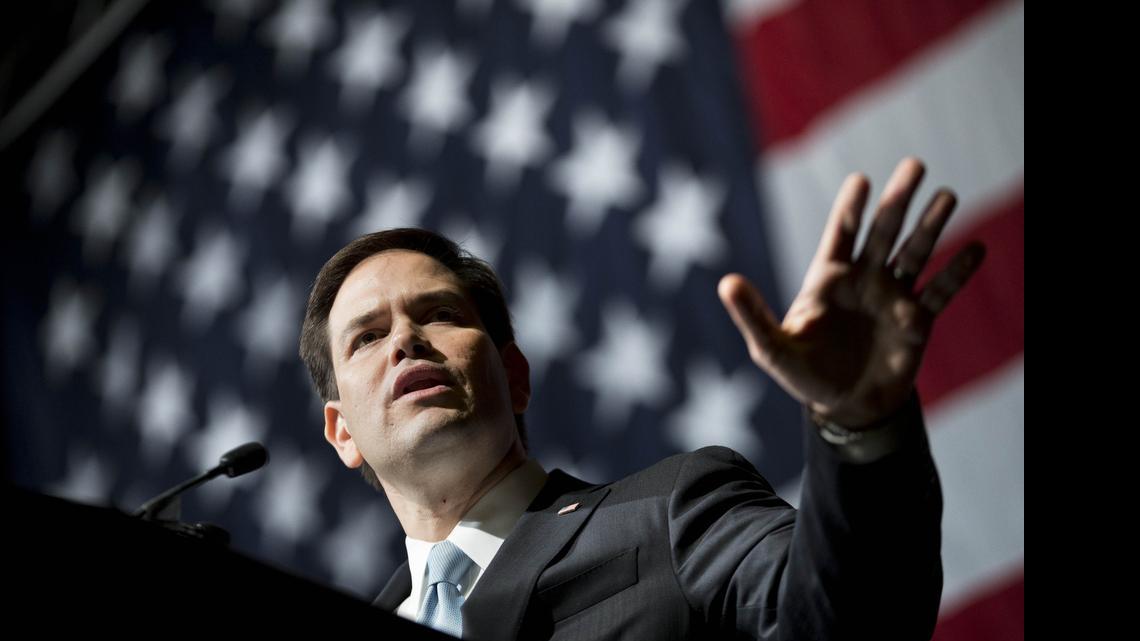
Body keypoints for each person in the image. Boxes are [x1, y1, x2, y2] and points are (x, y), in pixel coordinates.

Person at [298, 157, 985, 640]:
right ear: (341, 433)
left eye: (440, 314)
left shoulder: (671, 512)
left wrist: (857, 424)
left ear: (516, 377)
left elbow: (850, 622)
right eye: (366, 337)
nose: (407, 341)